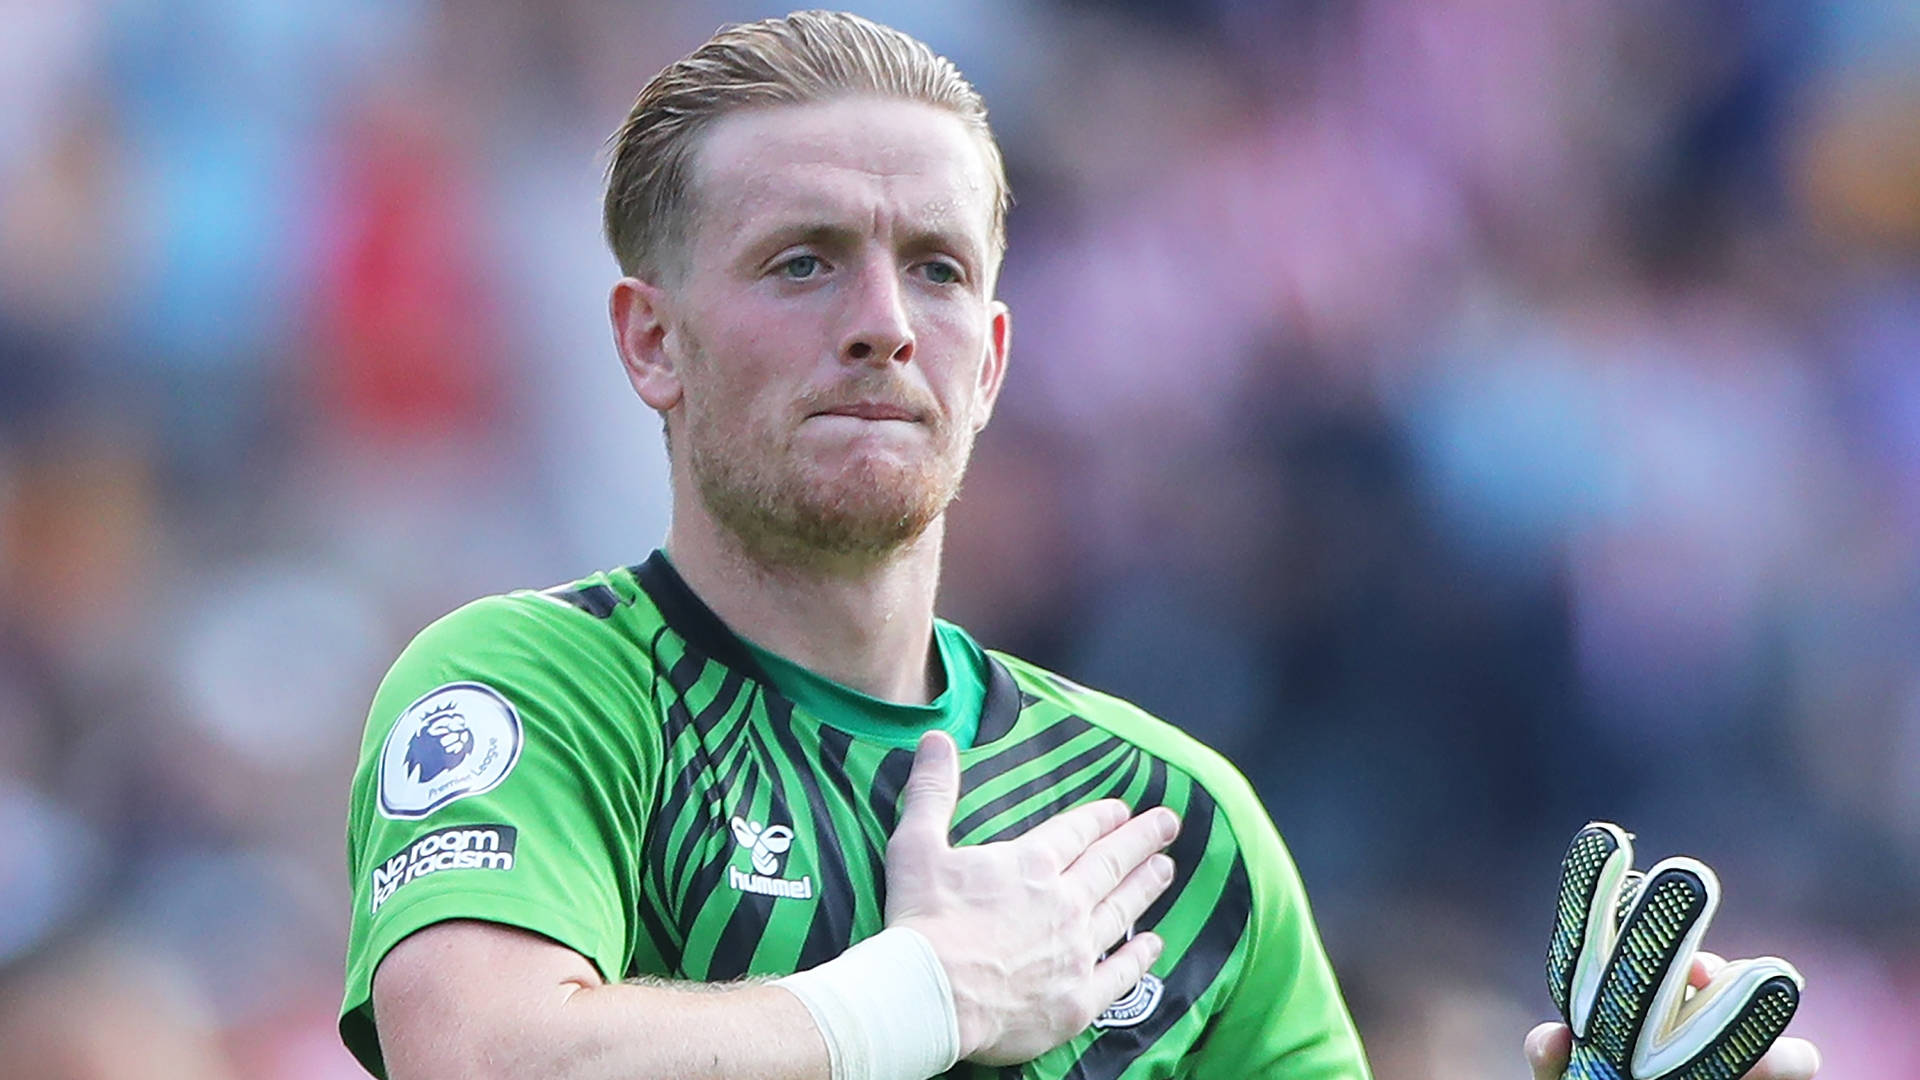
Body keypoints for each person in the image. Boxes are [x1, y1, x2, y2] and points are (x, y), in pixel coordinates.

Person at [338, 11, 1817, 1080]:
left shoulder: (1174, 825)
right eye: (802, 262)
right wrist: (925, 997)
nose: (878, 319)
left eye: (934, 269)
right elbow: (487, 1061)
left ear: (988, 359)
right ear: (649, 341)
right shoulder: (539, 690)